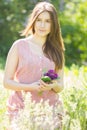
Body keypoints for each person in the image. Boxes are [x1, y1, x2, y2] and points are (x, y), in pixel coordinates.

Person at [3, 1, 65, 130]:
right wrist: (29, 87)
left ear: (54, 24)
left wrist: (54, 85)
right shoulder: (19, 46)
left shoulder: (57, 50)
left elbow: (60, 86)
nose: (42, 25)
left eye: (48, 21)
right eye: (39, 20)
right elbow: (6, 82)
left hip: (50, 110)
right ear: (33, 21)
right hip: (21, 109)